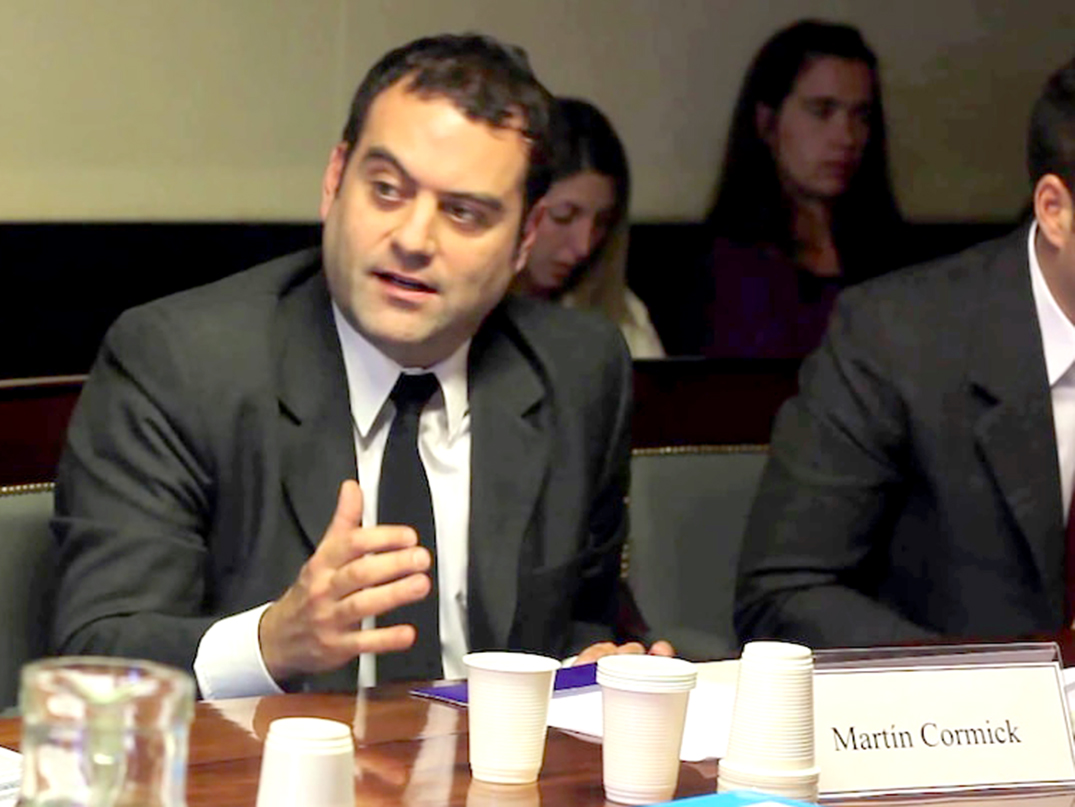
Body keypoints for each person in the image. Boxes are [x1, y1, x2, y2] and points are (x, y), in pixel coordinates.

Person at [51, 33, 671, 697]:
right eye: (386, 190)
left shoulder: (578, 372)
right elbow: (96, 656)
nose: (412, 239)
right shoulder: (183, 361)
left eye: (463, 213)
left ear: (524, 237)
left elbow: (578, 617)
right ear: (334, 181)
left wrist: (591, 663)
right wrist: (272, 641)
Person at [735, 55, 1075, 647]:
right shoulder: (897, 337)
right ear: (1055, 211)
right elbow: (786, 591)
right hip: (954, 698)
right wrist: (976, 684)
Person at [701, 20, 903, 358]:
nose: (847, 138)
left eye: (862, 116)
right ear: (767, 122)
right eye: (822, 111)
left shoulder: (893, 255)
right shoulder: (731, 267)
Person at [514, 97, 665, 358]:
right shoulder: (465, 310)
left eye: (602, 222)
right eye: (564, 216)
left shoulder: (619, 313)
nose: (583, 247)